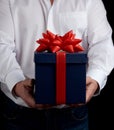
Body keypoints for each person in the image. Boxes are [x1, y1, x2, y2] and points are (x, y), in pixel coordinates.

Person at [0, 0, 114, 130]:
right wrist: (15, 82)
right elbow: (1, 45)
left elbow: (102, 44)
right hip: (19, 113)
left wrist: (94, 79)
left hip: (73, 115)